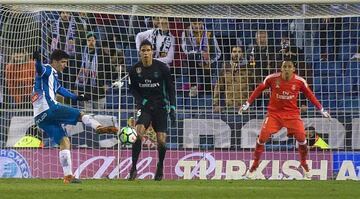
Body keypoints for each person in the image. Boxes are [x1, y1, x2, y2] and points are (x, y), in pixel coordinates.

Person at [32, 49, 118, 184]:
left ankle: (68, 176)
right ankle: (98, 127)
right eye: (63, 62)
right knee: (81, 115)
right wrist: (37, 60)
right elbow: (39, 68)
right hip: (50, 108)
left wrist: (77, 97)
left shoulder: (53, 76)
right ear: (54, 61)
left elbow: (61, 90)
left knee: (64, 141)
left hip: (40, 117)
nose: (65, 65)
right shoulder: (47, 70)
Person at [238, 60, 331, 180]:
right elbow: (259, 89)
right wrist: (247, 103)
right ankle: (253, 168)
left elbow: (310, 95)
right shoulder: (271, 78)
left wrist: (321, 109)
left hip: (292, 115)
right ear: (281, 69)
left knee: (302, 139)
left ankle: (304, 165)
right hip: (274, 114)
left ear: (293, 69)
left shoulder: (300, 81)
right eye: (284, 67)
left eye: (289, 67)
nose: (287, 69)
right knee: (262, 137)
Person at [128, 40, 176, 181]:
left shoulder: (162, 68)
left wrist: (172, 107)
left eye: (148, 50)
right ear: (140, 53)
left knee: (161, 141)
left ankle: (160, 166)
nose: (146, 53)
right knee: (138, 133)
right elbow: (132, 89)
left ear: (152, 52)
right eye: (143, 50)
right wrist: (142, 101)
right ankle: (133, 167)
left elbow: (171, 89)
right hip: (145, 107)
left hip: (160, 107)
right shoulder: (134, 70)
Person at [181, 18, 221, 97]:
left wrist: (210, 60)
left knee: (206, 67)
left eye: (199, 24)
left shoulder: (209, 33)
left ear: (202, 23)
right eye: (195, 24)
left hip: (207, 61)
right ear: (191, 23)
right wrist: (200, 54)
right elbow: (186, 50)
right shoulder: (186, 33)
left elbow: (218, 52)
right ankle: (193, 87)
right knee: (190, 59)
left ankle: (207, 91)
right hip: (193, 60)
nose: (197, 26)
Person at [75, 32, 113, 110]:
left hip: (99, 90)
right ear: (86, 41)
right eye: (89, 40)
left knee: (100, 116)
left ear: (96, 41)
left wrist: (107, 84)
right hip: (85, 90)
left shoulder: (102, 55)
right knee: (88, 117)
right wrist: (75, 87)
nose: (91, 42)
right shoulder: (80, 55)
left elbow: (110, 70)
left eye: (93, 40)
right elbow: (75, 71)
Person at [213, 46, 252, 113]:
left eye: (239, 52)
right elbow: (218, 87)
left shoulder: (249, 69)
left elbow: (256, 87)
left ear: (243, 54)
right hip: (229, 107)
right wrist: (216, 104)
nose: (236, 54)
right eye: (234, 51)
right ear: (231, 53)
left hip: (245, 108)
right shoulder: (225, 68)